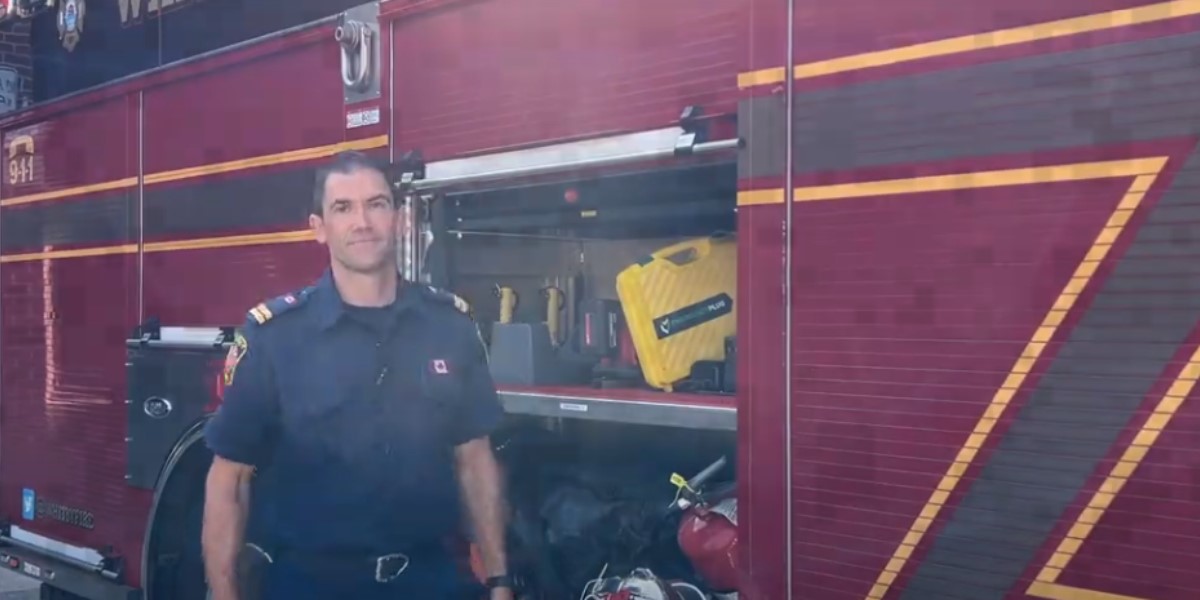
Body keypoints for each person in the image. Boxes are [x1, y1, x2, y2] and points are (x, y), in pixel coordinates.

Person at [200, 150, 514, 600]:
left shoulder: (449, 325)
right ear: (318, 228)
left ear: (401, 219)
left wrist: (500, 580)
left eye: (377, 204)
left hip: (430, 579)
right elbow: (229, 479)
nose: (362, 221)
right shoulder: (276, 338)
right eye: (343, 208)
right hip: (313, 584)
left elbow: (475, 460)